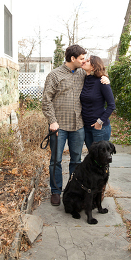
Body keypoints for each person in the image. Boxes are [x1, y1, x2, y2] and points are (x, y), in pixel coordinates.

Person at [42, 45, 109, 206]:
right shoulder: (54, 75)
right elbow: (46, 100)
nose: (84, 61)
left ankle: (74, 189)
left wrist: (106, 78)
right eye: (81, 58)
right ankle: (56, 191)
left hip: (78, 126)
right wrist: (52, 121)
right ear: (73, 59)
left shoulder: (82, 73)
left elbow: (98, 76)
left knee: (76, 160)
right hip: (59, 126)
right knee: (56, 160)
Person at [80, 55, 116, 149]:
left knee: (101, 159)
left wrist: (100, 122)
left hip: (100, 128)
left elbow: (111, 105)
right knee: (92, 158)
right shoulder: (83, 80)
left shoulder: (102, 82)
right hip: (86, 126)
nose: (84, 62)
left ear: (93, 67)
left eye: (87, 61)